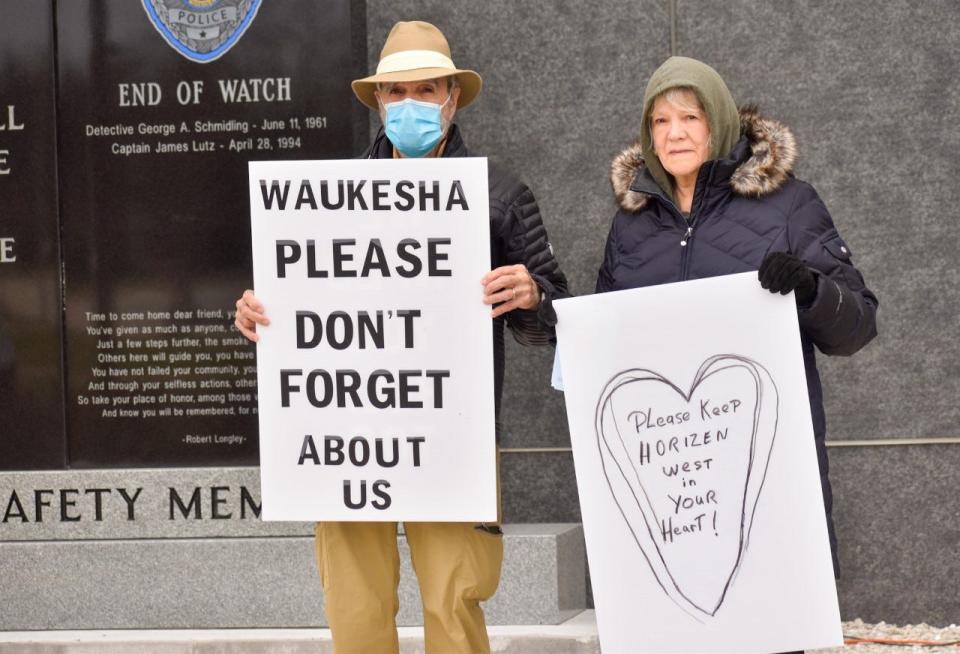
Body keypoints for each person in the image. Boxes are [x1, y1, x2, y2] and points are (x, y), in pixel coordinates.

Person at [235, 20, 568, 654]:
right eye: (397, 93)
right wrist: (257, 314)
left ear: (452, 98)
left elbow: (560, 314)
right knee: (354, 605)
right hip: (347, 438)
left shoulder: (498, 195)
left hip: (451, 434)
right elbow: (297, 308)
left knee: (454, 599)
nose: (410, 105)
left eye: (426, 90)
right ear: (379, 103)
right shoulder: (321, 201)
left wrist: (533, 295)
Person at [598, 56, 877, 608]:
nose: (674, 133)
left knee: (769, 618)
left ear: (719, 123)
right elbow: (605, 344)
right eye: (660, 121)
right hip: (667, 481)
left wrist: (811, 290)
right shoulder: (630, 224)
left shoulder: (789, 204)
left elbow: (858, 325)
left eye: (691, 117)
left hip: (765, 468)